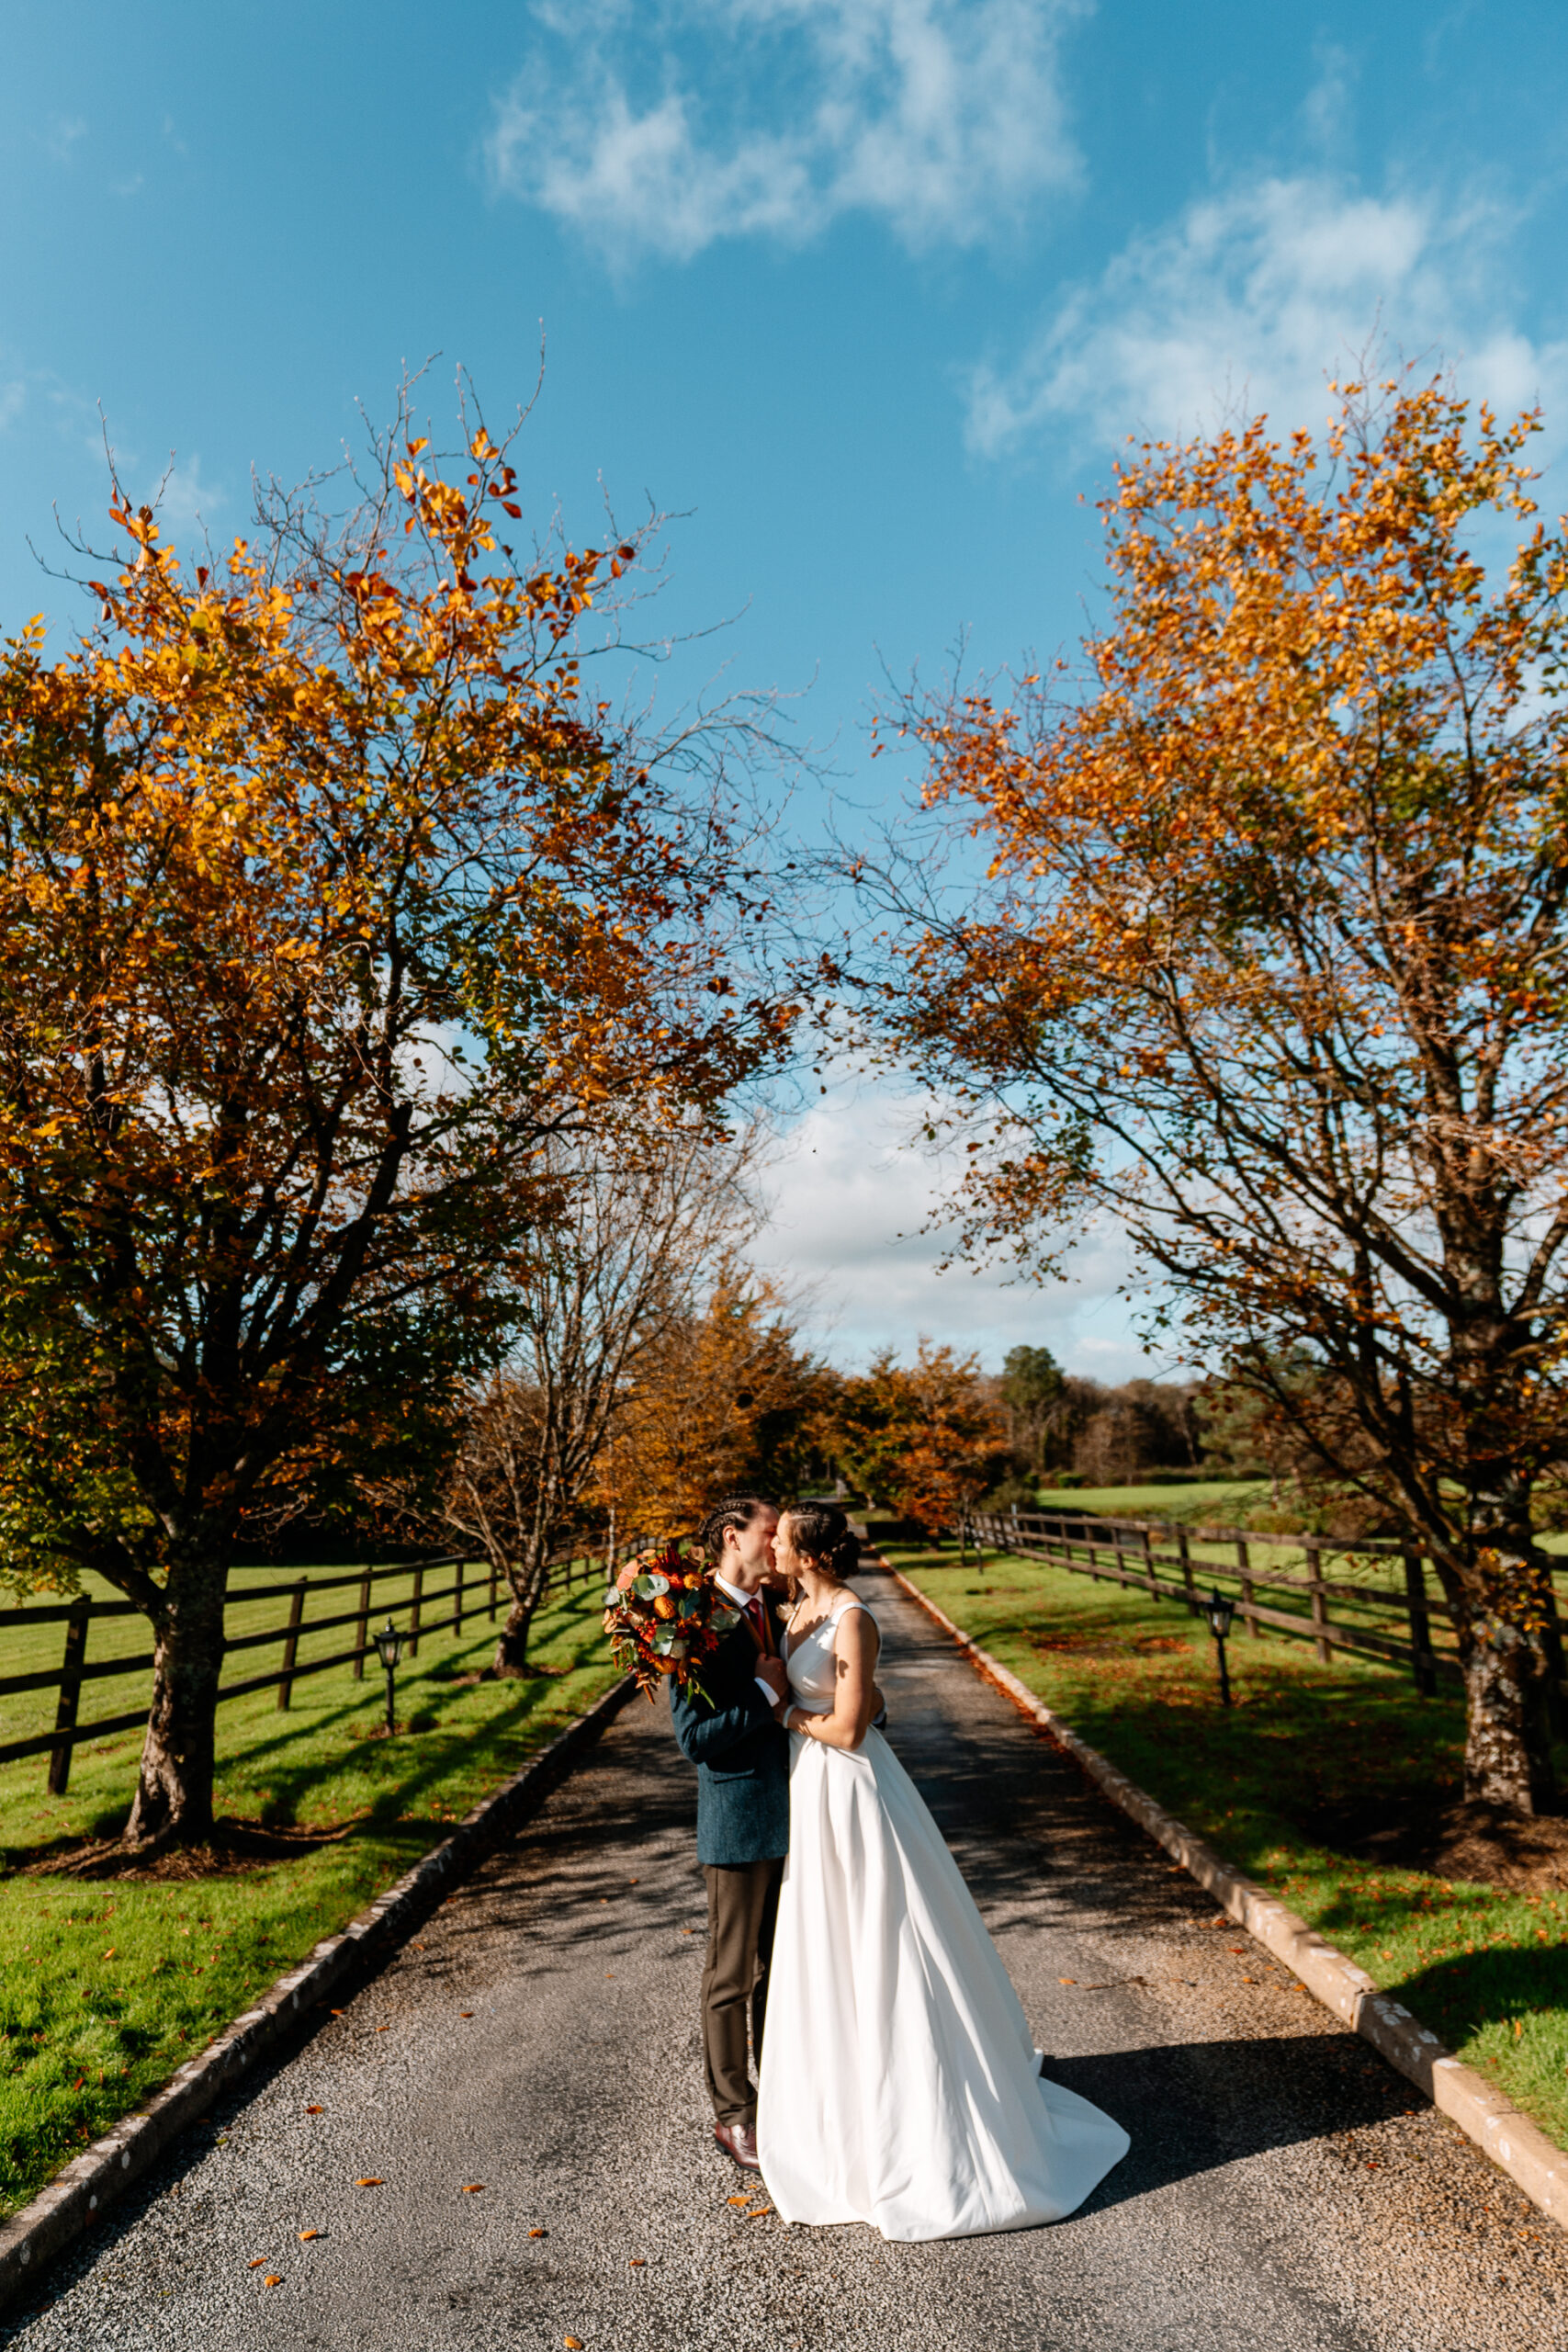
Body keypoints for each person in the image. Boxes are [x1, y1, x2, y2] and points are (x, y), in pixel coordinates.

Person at [756, 1502, 1130, 2240]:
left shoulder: (854, 1619)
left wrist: (782, 1714)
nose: (770, 1542)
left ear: (808, 1552)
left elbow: (852, 1725)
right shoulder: (795, 1605)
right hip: (812, 1790)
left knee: (883, 1936)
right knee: (829, 1942)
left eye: (781, 1536)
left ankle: (924, 2123)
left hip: (850, 1786)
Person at [668, 1495, 791, 2172]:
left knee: (785, 1969)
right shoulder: (693, 1622)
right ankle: (734, 2116)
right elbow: (695, 1740)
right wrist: (766, 1696)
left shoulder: (774, 1608)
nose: (778, 1544)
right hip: (738, 1819)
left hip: (801, 1815)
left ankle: (782, 2097)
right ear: (729, 1536)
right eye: (769, 1533)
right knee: (731, 1976)